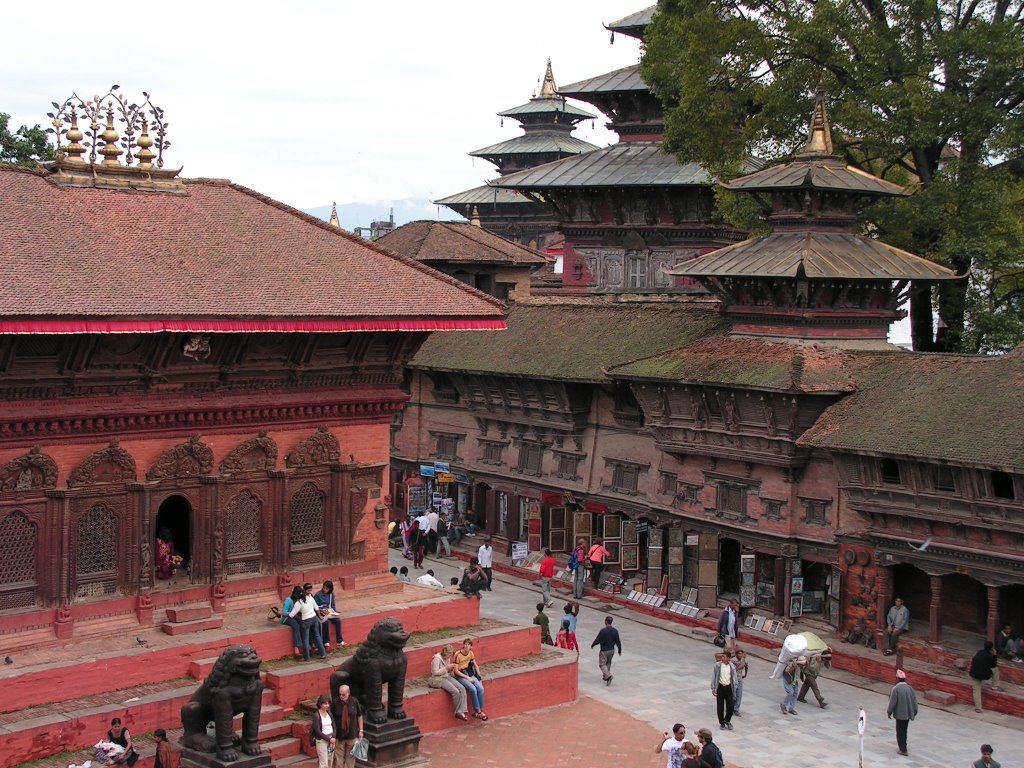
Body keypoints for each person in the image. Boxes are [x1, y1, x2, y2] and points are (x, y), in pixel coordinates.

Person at [288, 582, 327, 661]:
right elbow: (316, 608)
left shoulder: (299, 602)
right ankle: (323, 653)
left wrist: (282, 614)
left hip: (306, 621)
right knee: (317, 636)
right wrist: (319, 616)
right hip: (314, 618)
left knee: (305, 639)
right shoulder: (310, 597)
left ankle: (307, 657)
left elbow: (291, 615)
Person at [430, 644, 469, 721]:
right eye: (449, 655)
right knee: (455, 691)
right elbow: (435, 672)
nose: (450, 657)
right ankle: (458, 712)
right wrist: (446, 668)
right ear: (446, 653)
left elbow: (448, 670)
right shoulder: (437, 659)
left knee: (462, 688)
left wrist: (451, 668)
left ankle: (462, 710)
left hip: (447, 676)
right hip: (439, 678)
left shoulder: (447, 659)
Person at [452, 637, 488, 720]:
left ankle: (479, 709)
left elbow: (475, 665)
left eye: (468, 644)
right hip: (460, 674)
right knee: (473, 689)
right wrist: (467, 678)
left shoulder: (471, 653)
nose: (466, 646)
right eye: (465, 644)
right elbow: (456, 671)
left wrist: (479, 677)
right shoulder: (458, 655)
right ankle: (478, 711)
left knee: (481, 689)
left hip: (469, 672)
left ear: (471, 646)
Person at [886, 668, 918, 756]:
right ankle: (904, 746)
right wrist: (914, 712)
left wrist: (889, 712)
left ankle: (903, 749)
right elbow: (914, 702)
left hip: (900, 715)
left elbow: (892, 702)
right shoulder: (910, 688)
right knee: (904, 730)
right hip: (908, 714)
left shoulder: (896, 689)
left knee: (900, 732)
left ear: (897, 679)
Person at [331, 684, 364, 768]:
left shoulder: (354, 701)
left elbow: (359, 716)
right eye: (340, 694)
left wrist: (361, 730)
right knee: (338, 760)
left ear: (348, 693)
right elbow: (331, 718)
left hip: (352, 735)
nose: (341, 696)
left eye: (343, 694)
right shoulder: (335, 702)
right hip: (339, 735)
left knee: (350, 760)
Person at [969, 640, 1004, 712]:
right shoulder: (990, 657)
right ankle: (995, 686)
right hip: (984, 675)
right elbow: (994, 665)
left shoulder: (979, 652)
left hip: (974, 673)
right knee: (995, 669)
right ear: (991, 648)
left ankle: (978, 708)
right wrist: (995, 655)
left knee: (976, 690)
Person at [591, 615, 622, 686]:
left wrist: (593, 644)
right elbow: (618, 641)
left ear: (606, 621)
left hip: (604, 650)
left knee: (602, 664)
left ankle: (609, 676)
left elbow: (598, 639)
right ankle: (606, 677)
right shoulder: (615, 631)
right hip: (612, 650)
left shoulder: (603, 631)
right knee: (608, 663)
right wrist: (619, 650)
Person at [314, 580, 345, 648]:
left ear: (330, 589)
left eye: (327, 589)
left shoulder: (331, 594)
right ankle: (326, 641)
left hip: (329, 611)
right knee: (326, 622)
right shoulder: (318, 595)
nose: (325, 590)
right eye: (324, 588)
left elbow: (333, 604)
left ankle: (339, 640)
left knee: (338, 621)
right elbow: (315, 606)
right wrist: (321, 610)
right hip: (321, 612)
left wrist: (334, 612)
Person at [711, 651, 736, 730]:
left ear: (728, 658)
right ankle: (721, 723)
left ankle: (727, 720)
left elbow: (734, 678)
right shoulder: (717, 665)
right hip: (720, 687)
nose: (722, 658)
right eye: (722, 657)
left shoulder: (732, 666)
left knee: (731, 706)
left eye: (724, 657)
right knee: (720, 706)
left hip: (729, 687)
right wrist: (713, 688)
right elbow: (714, 676)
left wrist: (735, 686)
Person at [310, 694, 337, 768]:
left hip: (331, 741)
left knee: (330, 760)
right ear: (320, 704)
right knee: (324, 763)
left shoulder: (329, 713)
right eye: (325, 703)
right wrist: (329, 739)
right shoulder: (316, 715)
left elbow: (334, 726)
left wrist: (333, 737)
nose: (327, 705)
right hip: (322, 741)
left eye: (328, 703)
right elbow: (317, 731)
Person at [281, 584, 304, 656]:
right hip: (287, 618)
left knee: (303, 624)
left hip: (295, 616)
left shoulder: (299, 600)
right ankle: (296, 648)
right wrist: (293, 613)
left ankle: (307, 644)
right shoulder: (288, 600)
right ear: (294, 594)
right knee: (296, 626)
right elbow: (284, 612)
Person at [732, 648, 749, 717]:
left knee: (739, 695)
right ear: (736, 654)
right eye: (739, 654)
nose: (740, 655)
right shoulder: (732, 660)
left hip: (739, 679)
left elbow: (746, 666)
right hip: (732, 680)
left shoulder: (743, 660)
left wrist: (745, 674)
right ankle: (730, 707)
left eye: (741, 654)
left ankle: (736, 709)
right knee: (733, 695)